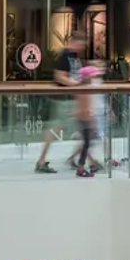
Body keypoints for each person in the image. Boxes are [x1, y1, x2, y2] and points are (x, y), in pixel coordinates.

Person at [35, 46, 82, 174]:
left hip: (70, 99)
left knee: (84, 129)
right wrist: (76, 84)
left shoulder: (74, 57)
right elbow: (60, 76)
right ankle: (42, 161)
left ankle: (74, 159)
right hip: (64, 100)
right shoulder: (65, 56)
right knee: (85, 129)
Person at [71, 64, 105, 177]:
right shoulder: (85, 89)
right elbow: (84, 107)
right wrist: (90, 119)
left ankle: (89, 165)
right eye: (91, 76)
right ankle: (82, 167)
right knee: (86, 144)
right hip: (85, 120)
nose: (93, 78)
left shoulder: (82, 88)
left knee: (87, 143)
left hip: (83, 119)